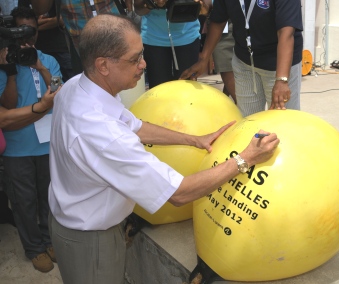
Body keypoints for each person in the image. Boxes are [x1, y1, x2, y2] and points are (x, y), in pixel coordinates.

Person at [48, 14, 279, 283]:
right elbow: (179, 193)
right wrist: (245, 159)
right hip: (90, 242)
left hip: (80, 224)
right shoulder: (102, 134)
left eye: (142, 54)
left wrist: (195, 139)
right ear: (103, 65)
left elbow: (134, 125)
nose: (143, 65)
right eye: (134, 59)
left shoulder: (78, 86)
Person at [0, 6, 62, 273]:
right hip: (17, 147)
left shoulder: (48, 60)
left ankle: (49, 240)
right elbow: (8, 105)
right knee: (24, 201)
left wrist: (38, 65)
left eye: (33, 32)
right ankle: (34, 248)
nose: (28, 39)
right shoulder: (4, 64)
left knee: (49, 196)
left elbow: (59, 93)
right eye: (22, 33)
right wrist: (11, 71)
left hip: (47, 144)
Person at [180, 0, 303, 117]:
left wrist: (281, 80)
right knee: (248, 120)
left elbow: (286, 33)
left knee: (282, 122)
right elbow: (218, 20)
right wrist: (204, 58)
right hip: (244, 62)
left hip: (277, 65)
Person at [133, 0, 210, 89]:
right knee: (159, 90)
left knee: (187, 89)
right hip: (154, 38)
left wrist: (201, 5)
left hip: (187, 36)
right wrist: (152, 4)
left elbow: (208, 8)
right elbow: (138, 9)